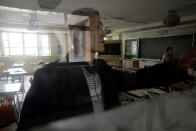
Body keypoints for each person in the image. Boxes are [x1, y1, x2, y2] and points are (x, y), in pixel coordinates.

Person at [17, 8, 196, 130]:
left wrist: (179, 64)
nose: (104, 33)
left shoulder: (101, 68)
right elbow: (29, 127)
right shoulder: (48, 75)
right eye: (97, 27)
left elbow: (140, 78)